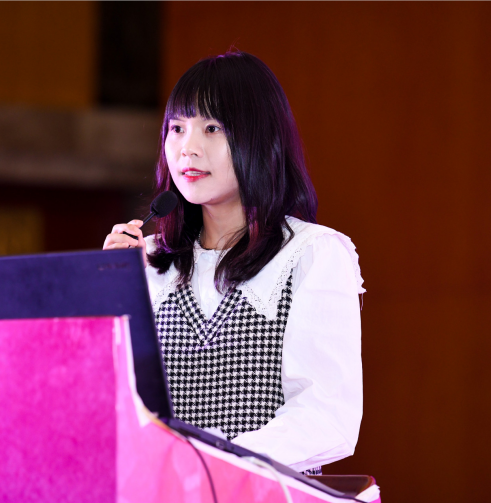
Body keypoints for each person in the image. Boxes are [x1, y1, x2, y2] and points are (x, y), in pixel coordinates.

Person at [103, 51, 364, 474]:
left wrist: (210, 464)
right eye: (177, 128)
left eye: (212, 128)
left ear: (259, 139)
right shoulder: (146, 259)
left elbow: (325, 416)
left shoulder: (311, 254)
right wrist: (107, 295)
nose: (188, 148)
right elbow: (109, 407)